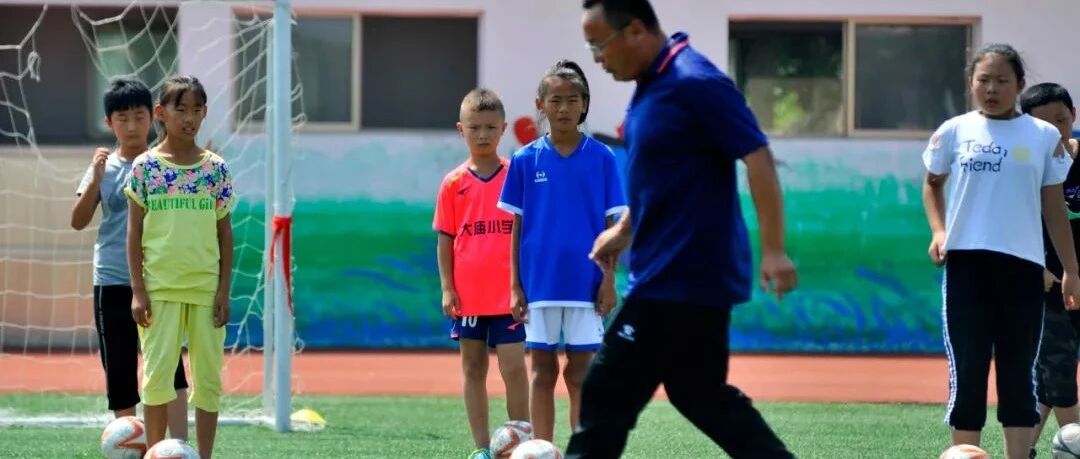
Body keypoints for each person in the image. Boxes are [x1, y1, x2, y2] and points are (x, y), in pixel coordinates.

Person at [567, 1, 799, 457]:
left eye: (599, 44)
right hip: (674, 275)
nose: (596, 57)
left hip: (683, 276)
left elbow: (758, 157)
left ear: (634, 30)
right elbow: (660, 174)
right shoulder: (651, 86)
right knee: (700, 394)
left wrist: (774, 250)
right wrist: (626, 230)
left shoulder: (696, 83)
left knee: (605, 391)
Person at [922, 45, 1080, 459]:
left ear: (1020, 85)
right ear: (971, 83)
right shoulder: (954, 130)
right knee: (969, 370)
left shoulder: (1043, 137)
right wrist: (939, 232)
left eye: (1002, 80)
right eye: (983, 80)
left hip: (1024, 269)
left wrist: (1071, 269)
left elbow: (1054, 208)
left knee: (1018, 372)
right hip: (966, 267)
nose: (991, 89)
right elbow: (932, 183)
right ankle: (966, 452)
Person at [498, 59, 626, 442]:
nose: (564, 108)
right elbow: (515, 227)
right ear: (541, 105)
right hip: (539, 285)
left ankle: (583, 450)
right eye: (556, 100)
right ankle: (540, 448)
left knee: (581, 372)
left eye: (573, 100)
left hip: (586, 286)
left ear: (584, 104)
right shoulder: (524, 161)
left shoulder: (602, 158)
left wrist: (608, 280)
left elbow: (612, 228)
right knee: (542, 370)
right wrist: (515, 286)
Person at [71, 77, 189, 439]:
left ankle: (180, 446)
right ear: (110, 123)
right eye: (122, 118)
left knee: (170, 368)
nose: (132, 125)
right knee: (121, 367)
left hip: (160, 280)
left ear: (152, 119)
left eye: (139, 116)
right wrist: (95, 180)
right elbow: (77, 222)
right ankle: (130, 444)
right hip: (113, 280)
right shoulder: (102, 168)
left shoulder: (165, 164)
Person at [125, 75, 235, 459]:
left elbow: (225, 235)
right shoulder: (144, 168)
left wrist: (223, 290)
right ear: (161, 113)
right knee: (156, 381)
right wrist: (138, 291)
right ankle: (156, 453)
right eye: (180, 109)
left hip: (206, 291)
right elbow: (133, 234)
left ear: (205, 113)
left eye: (197, 110)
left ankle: (204, 456)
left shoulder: (216, 169)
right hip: (160, 290)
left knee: (207, 381)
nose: (189, 118)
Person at [434, 88, 530, 459]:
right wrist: (447, 288)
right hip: (469, 296)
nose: (483, 134)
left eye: (491, 127)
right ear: (462, 129)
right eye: (475, 127)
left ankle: (523, 442)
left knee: (513, 368)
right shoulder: (453, 183)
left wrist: (523, 283)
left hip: (508, 296)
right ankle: (481, 449)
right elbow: (445, 240)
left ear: (503, 129)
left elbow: (527, 233)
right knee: (473, 368)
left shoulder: (515, 175)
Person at [1021, 82, 1080, 458]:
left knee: (1049, 378)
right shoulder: (1026, 169)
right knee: (1054, 371)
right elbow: (1014, 224)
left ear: (1073, 116)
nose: (1056, 130)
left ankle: (1024, 448)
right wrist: (1037, 268)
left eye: (1061, 119)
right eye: (1044, 124)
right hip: (1051, 286)